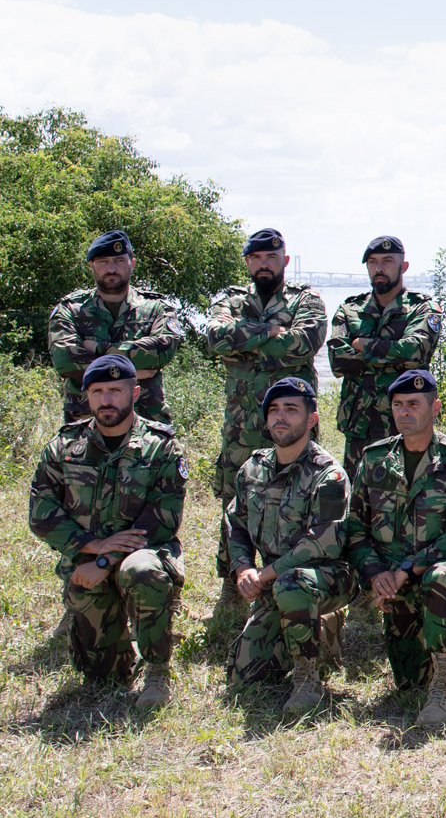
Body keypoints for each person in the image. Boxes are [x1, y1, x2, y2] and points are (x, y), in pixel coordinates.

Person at [28, 354, 189, 710]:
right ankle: (118, 643)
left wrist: (106, 557)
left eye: (115, 390)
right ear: (86, 396)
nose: (106, 400)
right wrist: (91, 546)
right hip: (87, 560)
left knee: (142, 571)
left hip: (146, 553)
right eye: (97, 391)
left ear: (135, 393)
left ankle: (158, 670)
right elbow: (41, 514)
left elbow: (162, 517)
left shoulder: (161, 445)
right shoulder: (65, 448)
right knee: (102, 675)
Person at [344, 370, 446, 728]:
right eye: (398, 405)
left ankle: (443, 683)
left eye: (414, 404)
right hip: (391, 579)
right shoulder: (375, 460)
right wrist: (377, 575)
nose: (405, 412)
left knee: (440, 579)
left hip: (438, 568)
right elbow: (356, 528)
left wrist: (407, 569)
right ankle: (444, 634)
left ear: (435, 407)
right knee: (407, 681)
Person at [204, 227, 328, 614]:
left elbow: (304, 341)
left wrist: (245, 345)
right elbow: (214, 336)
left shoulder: (306, 299)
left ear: (284, 261)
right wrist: (268, 332)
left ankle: (294, 581)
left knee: (299, 503)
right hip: (242, 425)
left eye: (271, 258)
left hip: (294, 425)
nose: (263, 264)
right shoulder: (232, 300)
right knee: (233, 504)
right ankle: (232, 583)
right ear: (247, 262)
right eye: (256, 258)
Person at [223, 378, 355, 715]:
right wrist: (243, 569)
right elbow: (234, 524)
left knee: (292, 583)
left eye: (291, 410)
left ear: (312, 419)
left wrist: (264, 575)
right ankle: (315, 630)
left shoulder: (328, 475)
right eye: (275, 410)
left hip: (326, 575)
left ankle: (307, 679)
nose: (281, 417)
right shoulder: (252, 469)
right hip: (273, 579)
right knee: (245, 674)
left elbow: (321, 543)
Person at [327, 236, 442, 469]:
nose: (379, 268)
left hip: (405, 424)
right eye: (372, 262)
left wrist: (361, 344)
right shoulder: (350, 309)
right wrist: (392, 354)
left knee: (407, 494)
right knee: (358, 499)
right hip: (359, 425)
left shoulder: (422, 308)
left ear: (404, 266)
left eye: (388, 261)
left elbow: (414, 353)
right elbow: (338, 360)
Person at [48, 230, 182, 423]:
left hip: (147, 422)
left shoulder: (156, 308)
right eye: (103, 261)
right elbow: (64, 360)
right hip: (86, 421)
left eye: (119, 260)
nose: (111, 268)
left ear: (132, 263)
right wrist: (135, 370)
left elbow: (163, 350)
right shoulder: (71, 310)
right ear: (91, 265)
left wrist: (99, 349)